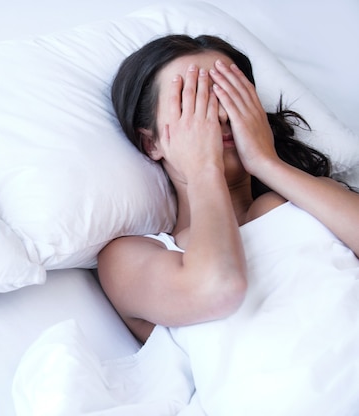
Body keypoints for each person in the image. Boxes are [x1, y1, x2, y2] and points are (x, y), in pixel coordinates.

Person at [97, 34, 359, 343]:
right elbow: (216, 289)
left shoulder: (311, 201)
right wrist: (203, 169)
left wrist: (266, 161)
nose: (221, 115)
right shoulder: (129, 258)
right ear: (152, 142)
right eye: (194, 103)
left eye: (229, 97)